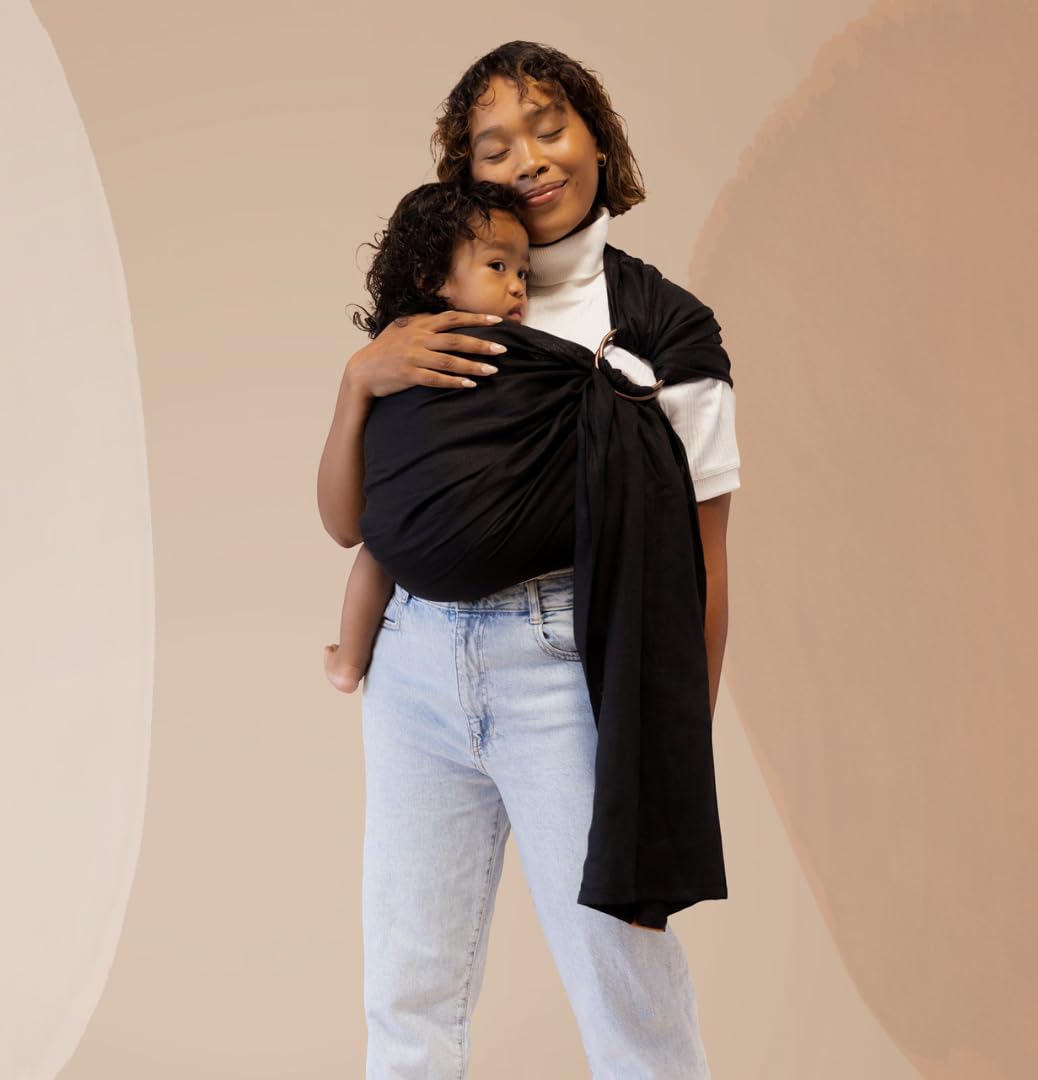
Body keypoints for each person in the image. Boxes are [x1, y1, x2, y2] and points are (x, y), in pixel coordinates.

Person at [316, 40, 740, 1079]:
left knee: (624, 982)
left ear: (598, 136)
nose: (530, 160)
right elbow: (366, 511)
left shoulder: (664, 332)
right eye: (495, 146)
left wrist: (673, 735)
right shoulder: (432, 317)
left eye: (550, 127)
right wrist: (359, 378)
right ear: (466, 173)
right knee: (407, 984)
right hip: (412, 663)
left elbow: (707, 558)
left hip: (569, 667)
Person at [323, 180, 531, 693]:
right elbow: (347, 520)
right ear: (431, 276)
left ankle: (348, 662)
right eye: (498, 266)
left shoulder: (511, 348)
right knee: (380, 546)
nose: (517, 286)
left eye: (524, 272)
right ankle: (349, 661)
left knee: (380, 551)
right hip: (419, 512)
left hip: (451, 520)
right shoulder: (402, 349)